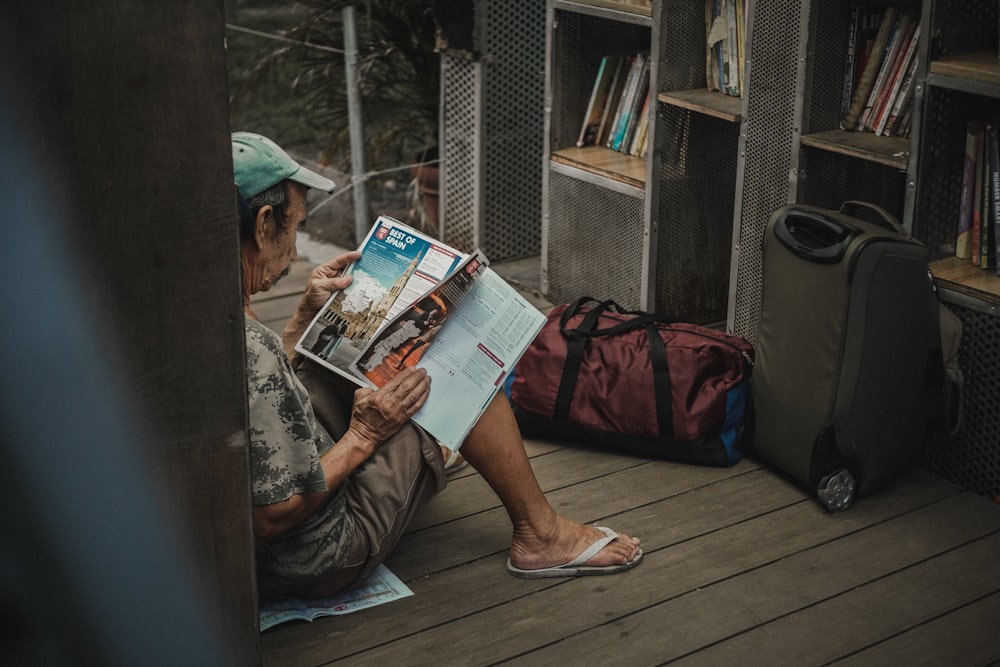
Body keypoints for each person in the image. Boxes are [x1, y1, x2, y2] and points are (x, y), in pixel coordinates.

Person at [233, 131, 642, 600]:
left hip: (262, 531)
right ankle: (541, 534)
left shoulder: (206, 317)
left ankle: (437, 448)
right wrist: (364, 436)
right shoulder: (252, 347)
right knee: (454, 359)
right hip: (318, 554)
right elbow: (271, 515)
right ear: (264, 224)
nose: (295, 246)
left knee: (352, 345)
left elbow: (260, 403)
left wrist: (305, 319)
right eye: (295, 227)